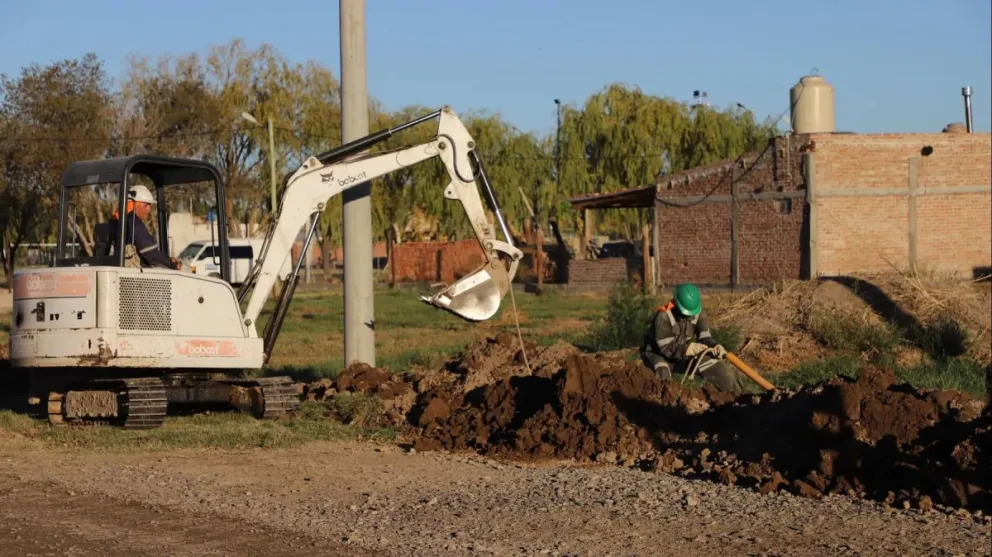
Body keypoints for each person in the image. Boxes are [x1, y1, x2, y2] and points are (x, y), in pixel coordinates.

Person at [640, 283, 745, 394]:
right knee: (663, 374)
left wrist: (714, 345)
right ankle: (660, 405)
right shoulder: (663, 316)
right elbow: (666, 348)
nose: (690, 316)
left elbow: (705, 336)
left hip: (680, 355)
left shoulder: (698, 312)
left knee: (719, 369)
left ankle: (739, 397)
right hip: (658, 354)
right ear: (676, 303)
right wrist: (690, 349)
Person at [111, 185, 182, 270]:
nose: (149, 209)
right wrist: (171, 263)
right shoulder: (134, 223)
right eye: (146, 205)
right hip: (134, 276)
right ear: (135, 204)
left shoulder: (118, 222)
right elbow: (150, 253)